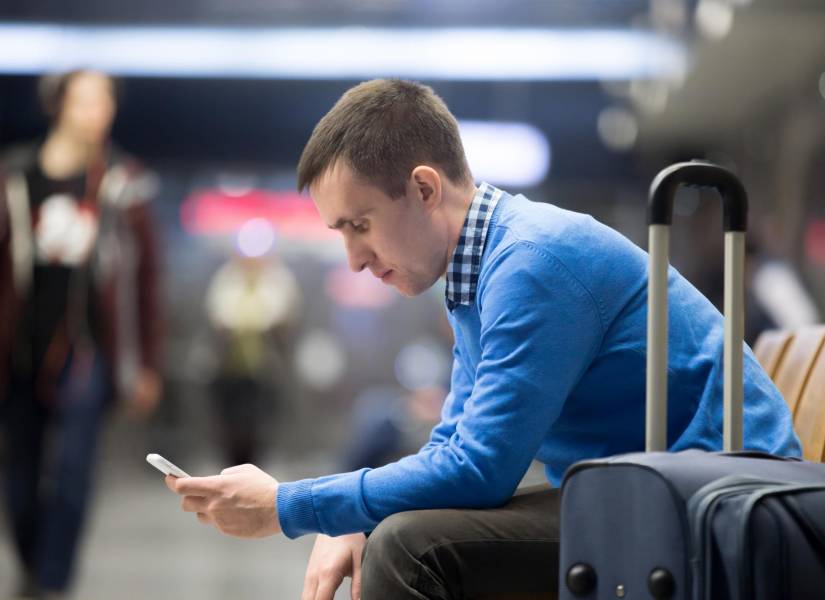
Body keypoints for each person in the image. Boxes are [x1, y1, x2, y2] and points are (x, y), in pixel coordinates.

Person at [165, 79, 800, 599]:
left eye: (360, 225)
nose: (355, 258)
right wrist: (355, 510)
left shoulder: (532, 263)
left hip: (720, 505)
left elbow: (478, 471)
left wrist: (289, 505)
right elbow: (455, 441)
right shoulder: (478, 268)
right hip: (653, 487)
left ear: (422, 188)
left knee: (409, 548)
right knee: (395, 527)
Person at [0, 70, 162, 599]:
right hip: (20, 350)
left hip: (89, 352)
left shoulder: (124, 181)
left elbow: (146, 279)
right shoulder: (16, 178)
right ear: (58, 105)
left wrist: (146, 365)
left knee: (73, 471)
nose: (98, 112)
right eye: (86, 100)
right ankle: (31, 565)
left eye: (106, 102)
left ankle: (52, 582)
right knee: (18, 480)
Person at [205, 249, 301, 466]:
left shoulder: (278, 281)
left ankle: (255, 467)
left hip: (264, 369)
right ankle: (232, 465)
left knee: (260, 425)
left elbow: (284, 321)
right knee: (230, 425)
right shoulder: (226, 281)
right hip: (229, 368)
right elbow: (218, 319)